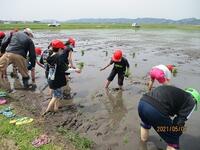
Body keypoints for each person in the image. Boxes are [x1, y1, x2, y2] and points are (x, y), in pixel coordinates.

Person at [138, 85, 200, 150]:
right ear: (195, 100)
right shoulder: (191, 102)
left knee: (145, 124)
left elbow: (167, 105)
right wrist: (176, 133)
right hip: (155, 109)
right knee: (173, 141)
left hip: (143, 102)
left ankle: (143, 144)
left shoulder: (179, 94)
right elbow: (179, 121)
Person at [42, 39, 68, 115]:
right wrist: (76, 69)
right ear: (59, 49)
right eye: (62, 49)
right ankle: (47, 110)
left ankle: (56, 108)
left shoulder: (50, 56)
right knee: (55, 96)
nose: (63, 50)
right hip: (56, 81)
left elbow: (58, 67)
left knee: (56, 95)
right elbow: (65, 69)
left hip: (51, 79)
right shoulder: (58, 57)